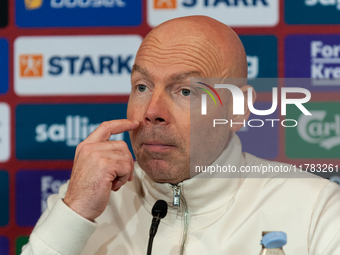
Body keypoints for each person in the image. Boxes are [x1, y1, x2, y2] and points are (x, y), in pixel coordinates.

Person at [21, 16, 340, 255]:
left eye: (186, 90)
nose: (152, 110)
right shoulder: (85, 201)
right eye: (142, 87)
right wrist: (74, 211)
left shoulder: (315, 209)